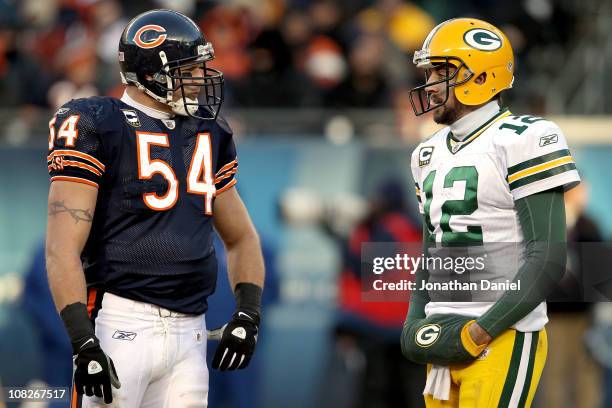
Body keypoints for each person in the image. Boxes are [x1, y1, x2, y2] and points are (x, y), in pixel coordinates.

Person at [45, 9, 265, 408]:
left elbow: (242, 237)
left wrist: (248, 313)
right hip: (120, 323)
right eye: (189, 68)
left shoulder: (209, 131)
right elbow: (62, 247)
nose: (200, 78)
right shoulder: (96, 122)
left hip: (191, 331)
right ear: (150, 73)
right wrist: (82, 340)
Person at [399, 18, 580, 407]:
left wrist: (482, 331)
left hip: (502, 334)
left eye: (441, 72)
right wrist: (416, 322)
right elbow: (432, 254)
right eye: (429, 72)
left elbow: (547, 258)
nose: (429, 84)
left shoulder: (524, 138)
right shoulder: (425, 153)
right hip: (443, 336)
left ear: (480, 77)